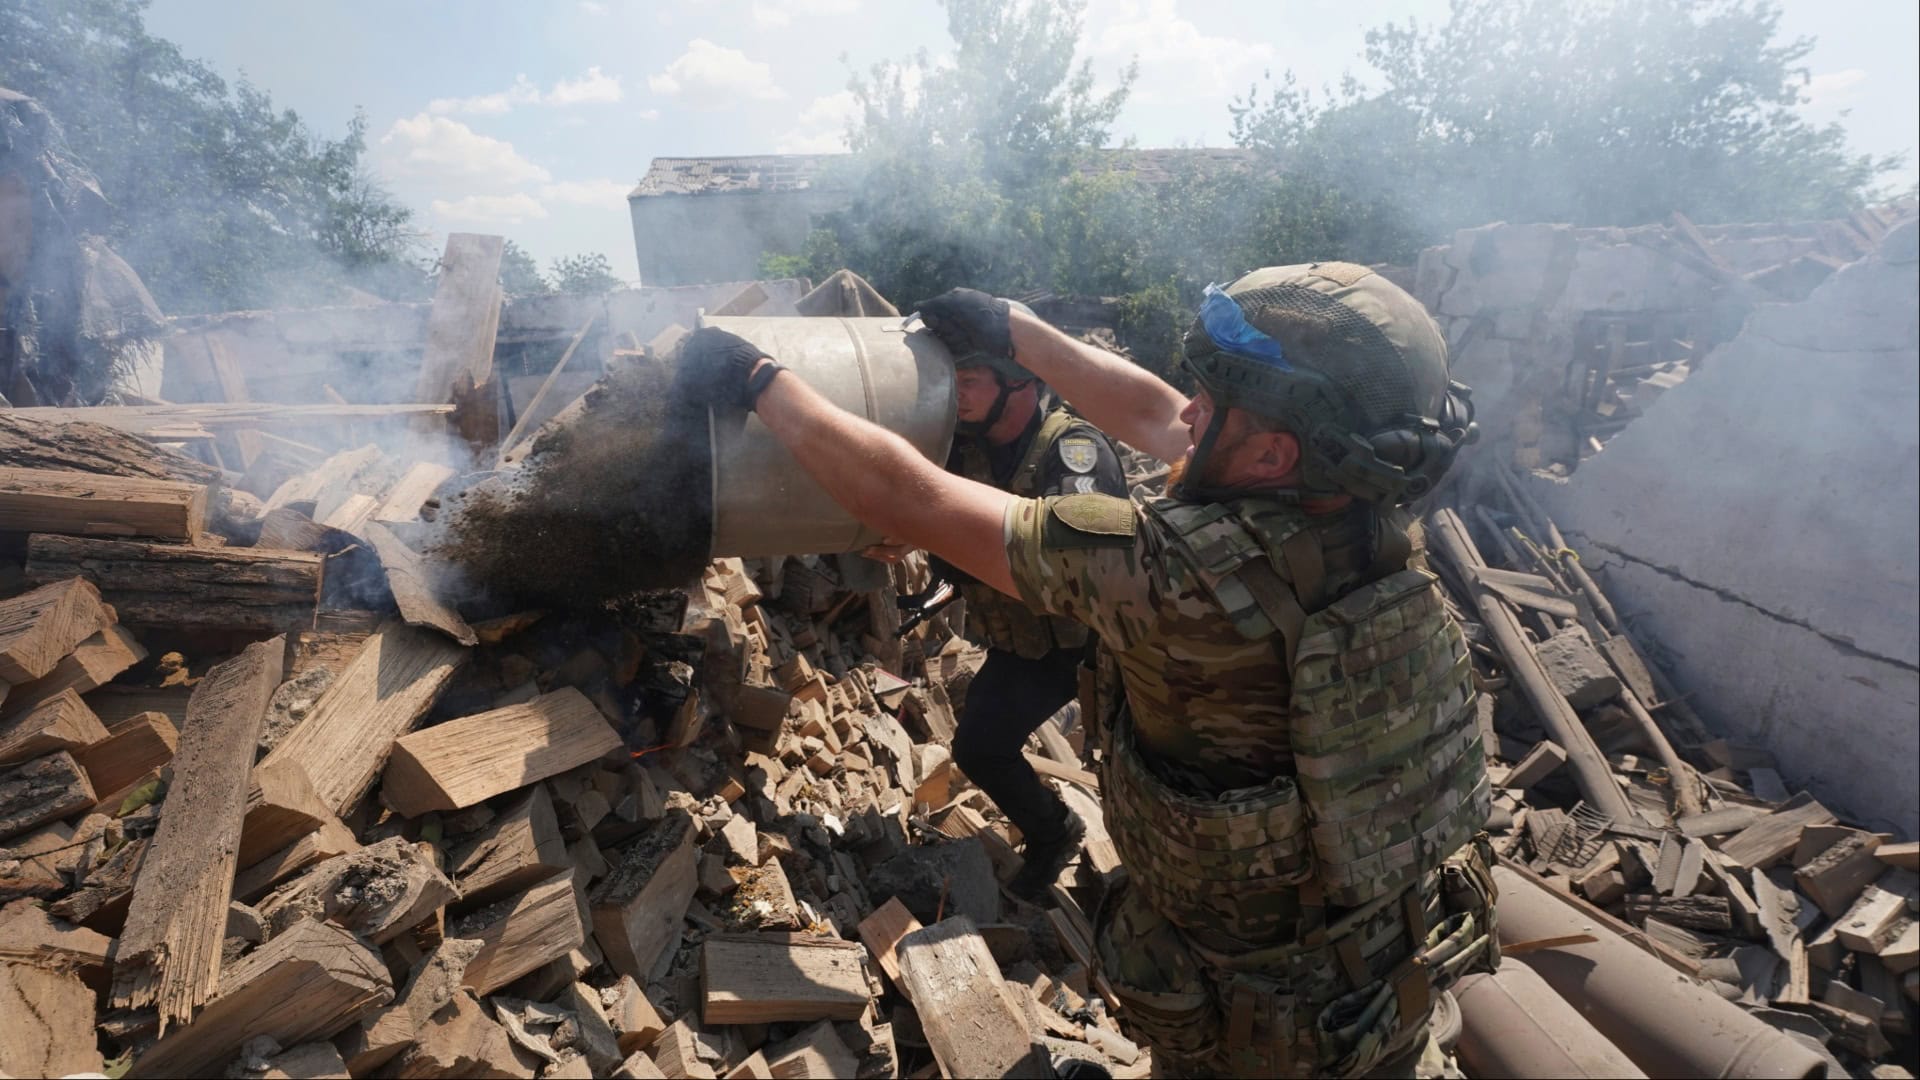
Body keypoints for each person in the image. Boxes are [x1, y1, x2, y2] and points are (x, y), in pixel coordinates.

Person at [678, 263, 1498, 1078]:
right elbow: (1158, 414)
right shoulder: (1367, 513)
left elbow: (916, 502)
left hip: (1266, 1025)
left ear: (1271, 454)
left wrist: (761, 381)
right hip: (1386, 970)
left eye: (1213, 401)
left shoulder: (1175, 577)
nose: (1188, 408)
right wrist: (1017, 327)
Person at [870, 307, 1127, 901]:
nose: (956, 395)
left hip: (1098, 648)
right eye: (952, 381)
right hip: (1026, 644)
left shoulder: (1074, 453)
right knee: (980, 748)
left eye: (970, 382)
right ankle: (1054, 831)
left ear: (1020, 381)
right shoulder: (968, 448)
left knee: (1136, 764)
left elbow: (1081, 569)